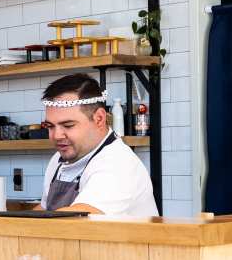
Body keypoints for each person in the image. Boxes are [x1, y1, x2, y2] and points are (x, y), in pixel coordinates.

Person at [39, 73, 158, 216]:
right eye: (50, 126)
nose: (57, 136)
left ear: (99, 119)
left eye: (68, 125)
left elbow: (78, 218)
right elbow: (43, 210)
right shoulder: (58, 160)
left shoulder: (118, 162)